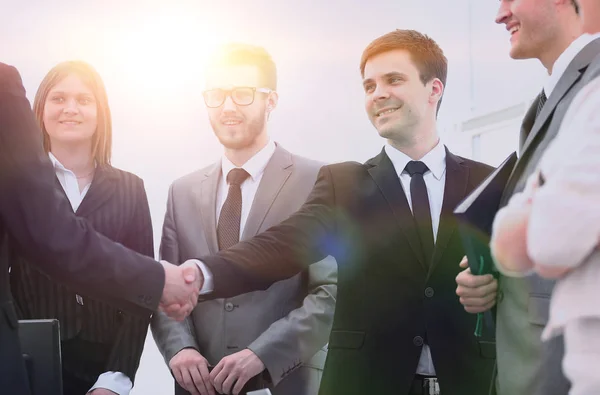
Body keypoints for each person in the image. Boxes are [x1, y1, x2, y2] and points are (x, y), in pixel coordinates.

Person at [186, 30, 498, 395]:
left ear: (434, 90)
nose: (378, 93)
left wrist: (496, 285)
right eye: (369, 85)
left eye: (393, 80)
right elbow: (281, 246)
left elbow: (522, 272)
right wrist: (199, 274)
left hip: (471, 383)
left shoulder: (488, 183)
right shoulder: (343, 184)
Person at [0, 63, 200, 395]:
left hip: (102, 368)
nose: (71, 109)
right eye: (58, 98)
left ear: (100, 113)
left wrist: (115, 378)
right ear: (40, 109)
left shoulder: (130, 188)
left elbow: (139, 303)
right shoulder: (16, 187)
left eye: (83, 99)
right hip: (25, 360)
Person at [151, 43, 337, 395]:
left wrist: (262, 354)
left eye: (243, 93)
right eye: (216, 95)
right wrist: (181, 348)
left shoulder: (319, 179)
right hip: (199, 387)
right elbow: (166, 287)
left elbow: (329, 293)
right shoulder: (181, 191)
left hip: (286, 383)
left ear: (272, 101)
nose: (228, 106)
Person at [456, 1, 600, 394]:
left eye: (509, 0)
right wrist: (491, 276)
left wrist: (513, 239)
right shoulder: (549, 99)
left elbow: (549, 235)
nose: (499, 15)